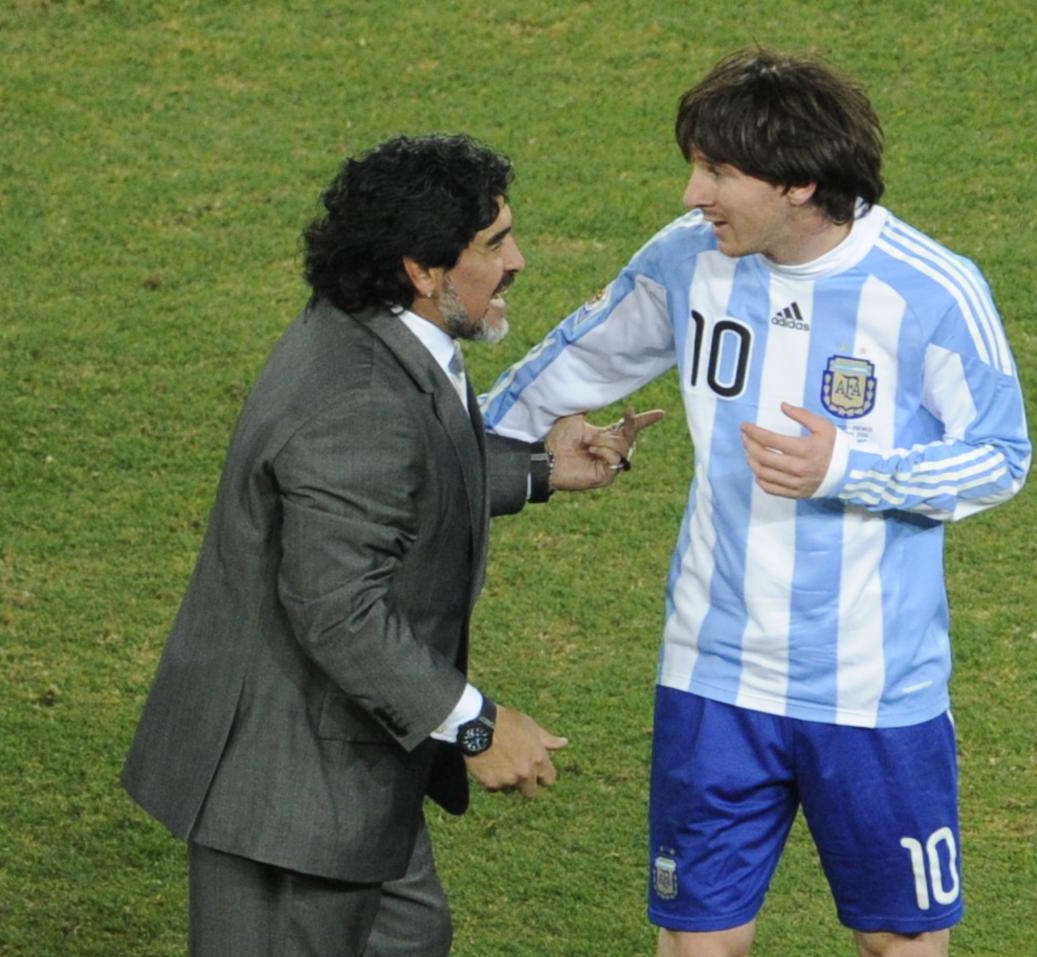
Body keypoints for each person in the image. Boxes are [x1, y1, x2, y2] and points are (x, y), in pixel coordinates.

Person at [481, 48, 1032, 957]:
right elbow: (565, 367)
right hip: (714, 673)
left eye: (719, 172)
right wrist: (459, 454)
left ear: (801, 183)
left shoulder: (931, 290)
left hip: (873, 690)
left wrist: (846, 470)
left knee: (899, 941)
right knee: (700, 942)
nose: (694, 193)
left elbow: (999, 459)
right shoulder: (688, 258)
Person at [122, 133, 659, 957]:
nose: (517, 259)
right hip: (289, 791)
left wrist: (541, 470)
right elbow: (339, 609)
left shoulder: (377, 334)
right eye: (492, 243)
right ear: (422, 268)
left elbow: (412, 461)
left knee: (410, 935)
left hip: (350, 766)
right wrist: (475, 725)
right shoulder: (361, 395)